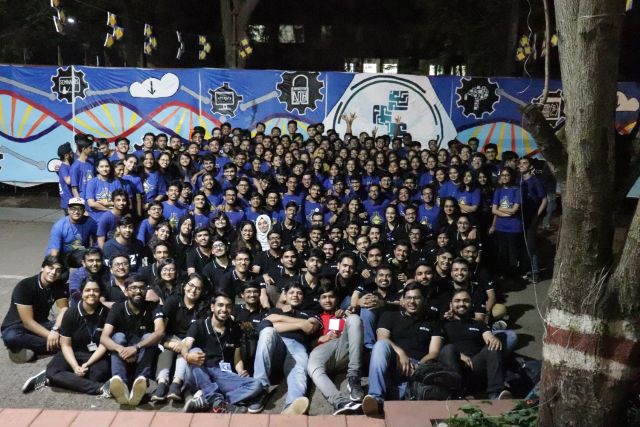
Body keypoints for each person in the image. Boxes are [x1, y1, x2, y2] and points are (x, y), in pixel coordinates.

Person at [362, 283, 444, 416]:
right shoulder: (389, 316)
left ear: (424, 300)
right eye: (408, 298)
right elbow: (382, 338)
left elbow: (434, 352)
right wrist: (401, 353)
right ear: (403, 300)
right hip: (394, 362)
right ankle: (376, 399)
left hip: (418, 367)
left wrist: (419, 366)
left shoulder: (433, 322)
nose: (412, 301)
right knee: (380, 345)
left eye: (416, 298)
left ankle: (404, 395)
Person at [22, 277, 110, 396]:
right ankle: (99, 389)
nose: (91, 293)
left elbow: (104, 344)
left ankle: (52, 381)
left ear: (100, 293)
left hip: (96, 355)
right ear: (81, 292)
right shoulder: (71, 313)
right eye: (87, 290)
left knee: (99, 375)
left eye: (96, 290)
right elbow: (66, 345)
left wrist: (88, 363)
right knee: (53, 372)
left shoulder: (107, 313)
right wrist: (75, 366)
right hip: (73, 352)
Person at [181, 292, 266, 413]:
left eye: (228, 306)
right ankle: (214, 399)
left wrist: (240, 371)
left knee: (256, 385)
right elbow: (186, 345)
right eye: (220, 305)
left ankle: (211, 401)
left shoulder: (234, 328)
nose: (224, 309)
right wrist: (187, 355)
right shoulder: (199, 325)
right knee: (195, 351)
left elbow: (237, 357)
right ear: (212, 307)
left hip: (222, 374)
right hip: (200, 372)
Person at [253, 283, 322, 415]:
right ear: (285, 295)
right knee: (267, 331)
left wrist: (280, 320)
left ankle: (292, 405)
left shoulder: (310, 313)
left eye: (299, 293)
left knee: (299, 367)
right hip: (277, 346)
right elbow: (267, 324)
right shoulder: (275, 310)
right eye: (291, 292)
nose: (295, 295)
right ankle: (259, 390)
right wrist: (300, 323)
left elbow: (310, 327)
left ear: (303, 297)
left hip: (297, 347)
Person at [100, 276, 165, 406]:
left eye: (141, 288)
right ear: (126, 292)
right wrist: (121, 349)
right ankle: (120, 382)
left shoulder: (153, 306)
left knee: (148, 336)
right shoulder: (117, 307)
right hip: (123, 355)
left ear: (146, 290)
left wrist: (136, 348)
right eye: (133, 288)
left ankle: (140, 381)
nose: (138, 291)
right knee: (118, 337)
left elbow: (160, 332)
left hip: (143, 353)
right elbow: (104, 337)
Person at [438, 289, 511, 399]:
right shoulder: (443, 324)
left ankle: (496, 393)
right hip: (454, 365)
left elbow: (488, 336)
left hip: (475, 366)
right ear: (451, 305)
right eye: (457, 301)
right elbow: (438, 348)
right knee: (448, 349)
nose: (461, 304)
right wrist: (459, 355)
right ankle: (456, 395)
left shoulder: (478, 324)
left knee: (492, 346)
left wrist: (492, 338)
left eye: (465, 301)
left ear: (471, 304)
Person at [307, 281, 364, 415]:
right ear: (319, 300)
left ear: (337, 299)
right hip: (323, 353)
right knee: (312, 366)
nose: (328, 300)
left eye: (331, 297)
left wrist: (346, 320)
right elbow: (306, 343)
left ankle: (354, 377)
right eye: (324, 297)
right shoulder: (316, 317)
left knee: (354, 319)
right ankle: (340, 402)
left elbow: (358, 336)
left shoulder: (346, 315)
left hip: (343, 351)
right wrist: (319, 339)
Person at [152, 273, 209, 403]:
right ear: (184, 286)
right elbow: (161, 329)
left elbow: (196, 334)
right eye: (191, 285)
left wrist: (183, 345)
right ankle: (162, 383)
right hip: (169, 338)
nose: (193, 290)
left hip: (190, 341)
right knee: (166, 350)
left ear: (202, 291)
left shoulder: (203, 307)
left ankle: (176, 384)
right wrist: (168, 342)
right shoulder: (173, 300)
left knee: (186, 350)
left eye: (198, 288)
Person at [1, 256, 69, 362]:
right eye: (50, 268)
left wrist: (56, 329)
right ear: (43, 267)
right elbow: (28, 323)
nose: (53, 272)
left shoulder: (58, 285)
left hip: (42, 324)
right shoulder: (25, 286)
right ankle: (64, 346)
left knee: (70, 325)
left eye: (58, 270)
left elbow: (64, 309)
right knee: (12, 338)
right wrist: (50, 335)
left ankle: (39, 350)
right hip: (17, 326)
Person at [46, 197, 97, 262]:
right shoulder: (59, 226)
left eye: (79, 209)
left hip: (80, 254)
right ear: (68, 210)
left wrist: (94, 254)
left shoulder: (90, 222)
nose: (76, 212)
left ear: (84, 211)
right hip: (61, 254)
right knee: (52, 263)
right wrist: (54, 263)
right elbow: (54, 250)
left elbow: (97, 241)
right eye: (73, 209)